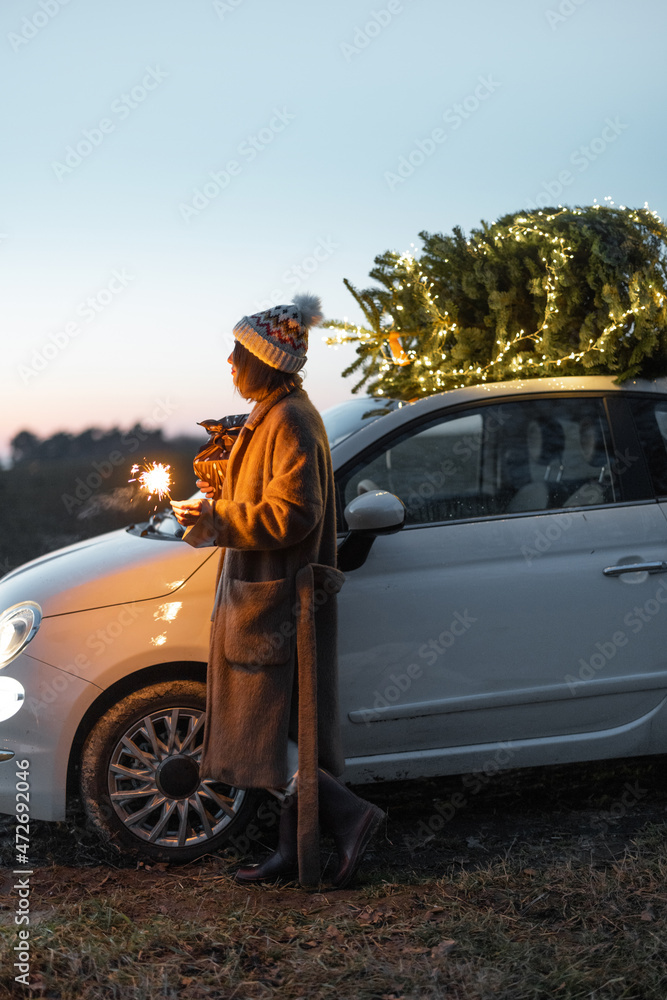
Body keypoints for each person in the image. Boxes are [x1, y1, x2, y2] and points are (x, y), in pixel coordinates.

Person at [170, 293, 385, 888]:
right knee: (286, 731)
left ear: (268, 360)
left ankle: (352, 816)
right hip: (267, 599)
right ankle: (294, 852)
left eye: (239, 353)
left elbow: (295, 514)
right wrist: (217, 489)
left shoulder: (289, 418)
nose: (230, 364)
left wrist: (218, 517)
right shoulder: (274, 413)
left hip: (277, 604)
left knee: (266, 737)